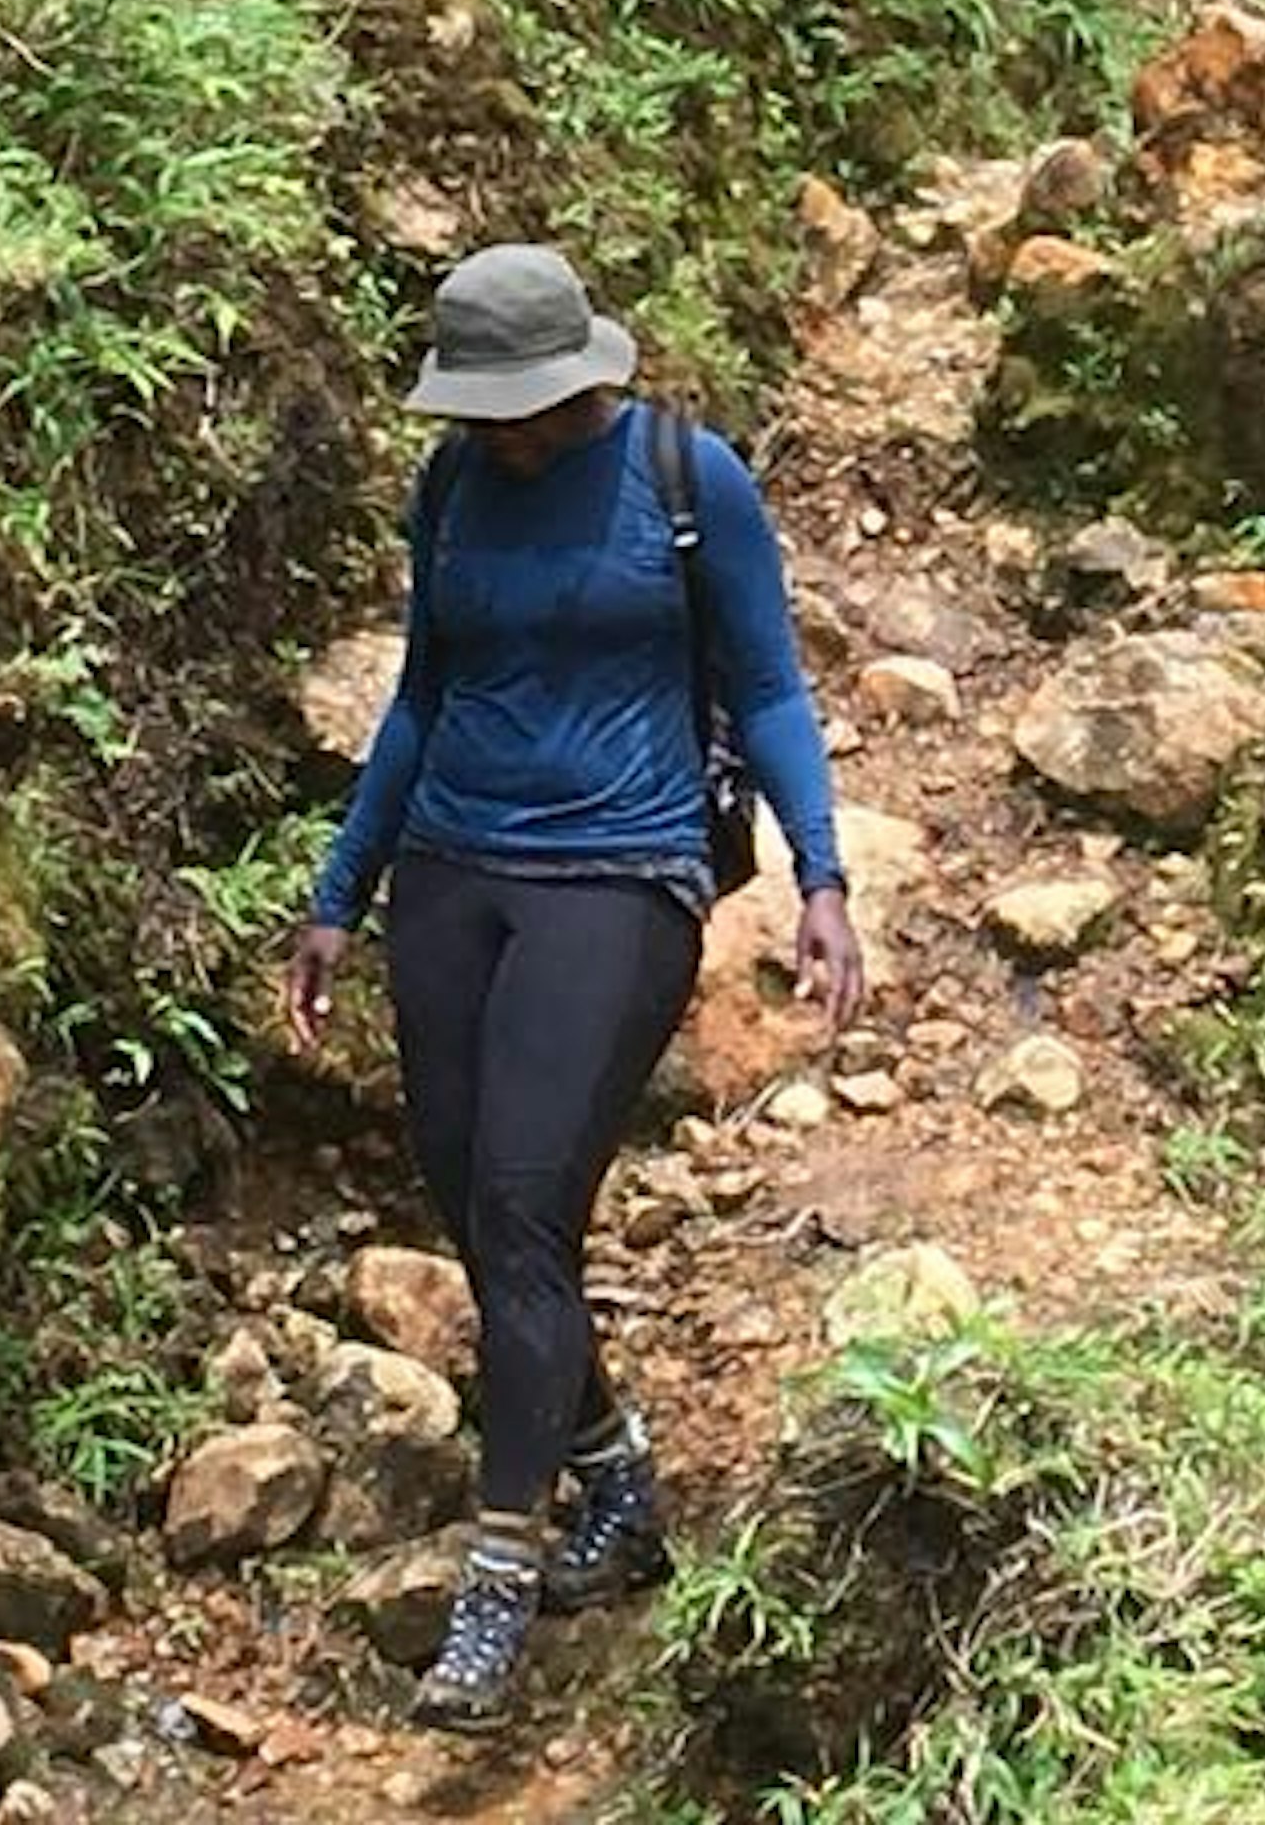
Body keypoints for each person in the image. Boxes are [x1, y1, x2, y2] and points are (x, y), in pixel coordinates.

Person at [284, 241, 868, 1732]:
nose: (495, 431)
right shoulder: (455, 490)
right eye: (475, 409)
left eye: (515, 406)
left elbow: (771, 684)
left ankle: (497, 1583)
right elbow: (423, 691)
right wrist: (342, 891)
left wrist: (822, 877)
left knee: (530, 1201)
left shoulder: (688, 478)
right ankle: (614, 1480)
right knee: (474, 1199)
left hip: (624, 871)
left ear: (580, 379)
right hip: (452, 863)